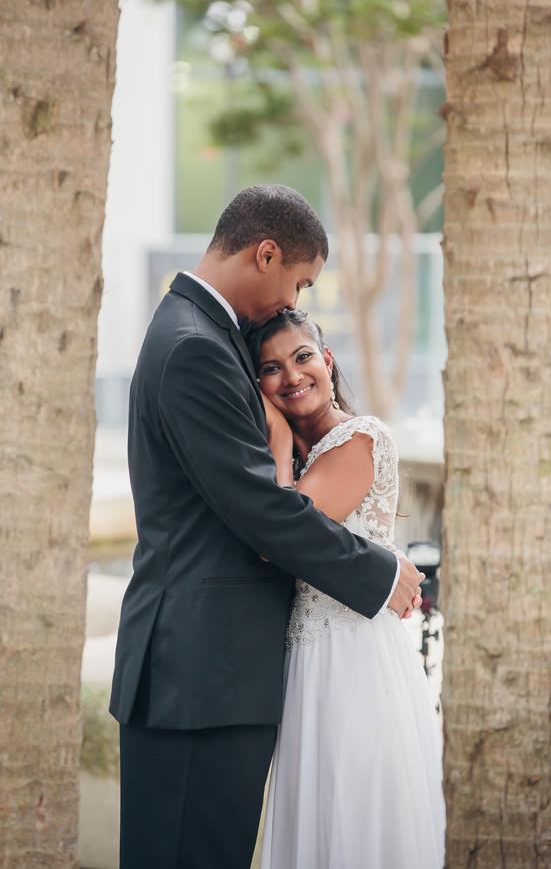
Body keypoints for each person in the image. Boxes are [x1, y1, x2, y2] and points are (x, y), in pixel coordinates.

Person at [108, 184, 424, 869]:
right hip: (200, 675)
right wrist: (378, 571)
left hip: (210, 672)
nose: (295, 303)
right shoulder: (196, 347)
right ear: (266, 252)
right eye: (300, 281)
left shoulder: (203, 335)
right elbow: (261, 510)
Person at [245, 308, 446, 869]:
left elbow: (279, 537)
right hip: (308, 659)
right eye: (271, 368)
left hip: (353, 658)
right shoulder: (312, 455)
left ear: (327, 361)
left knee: (356, 816)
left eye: (303, 357)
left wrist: (279, 440)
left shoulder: (360, 438)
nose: (292, 376)